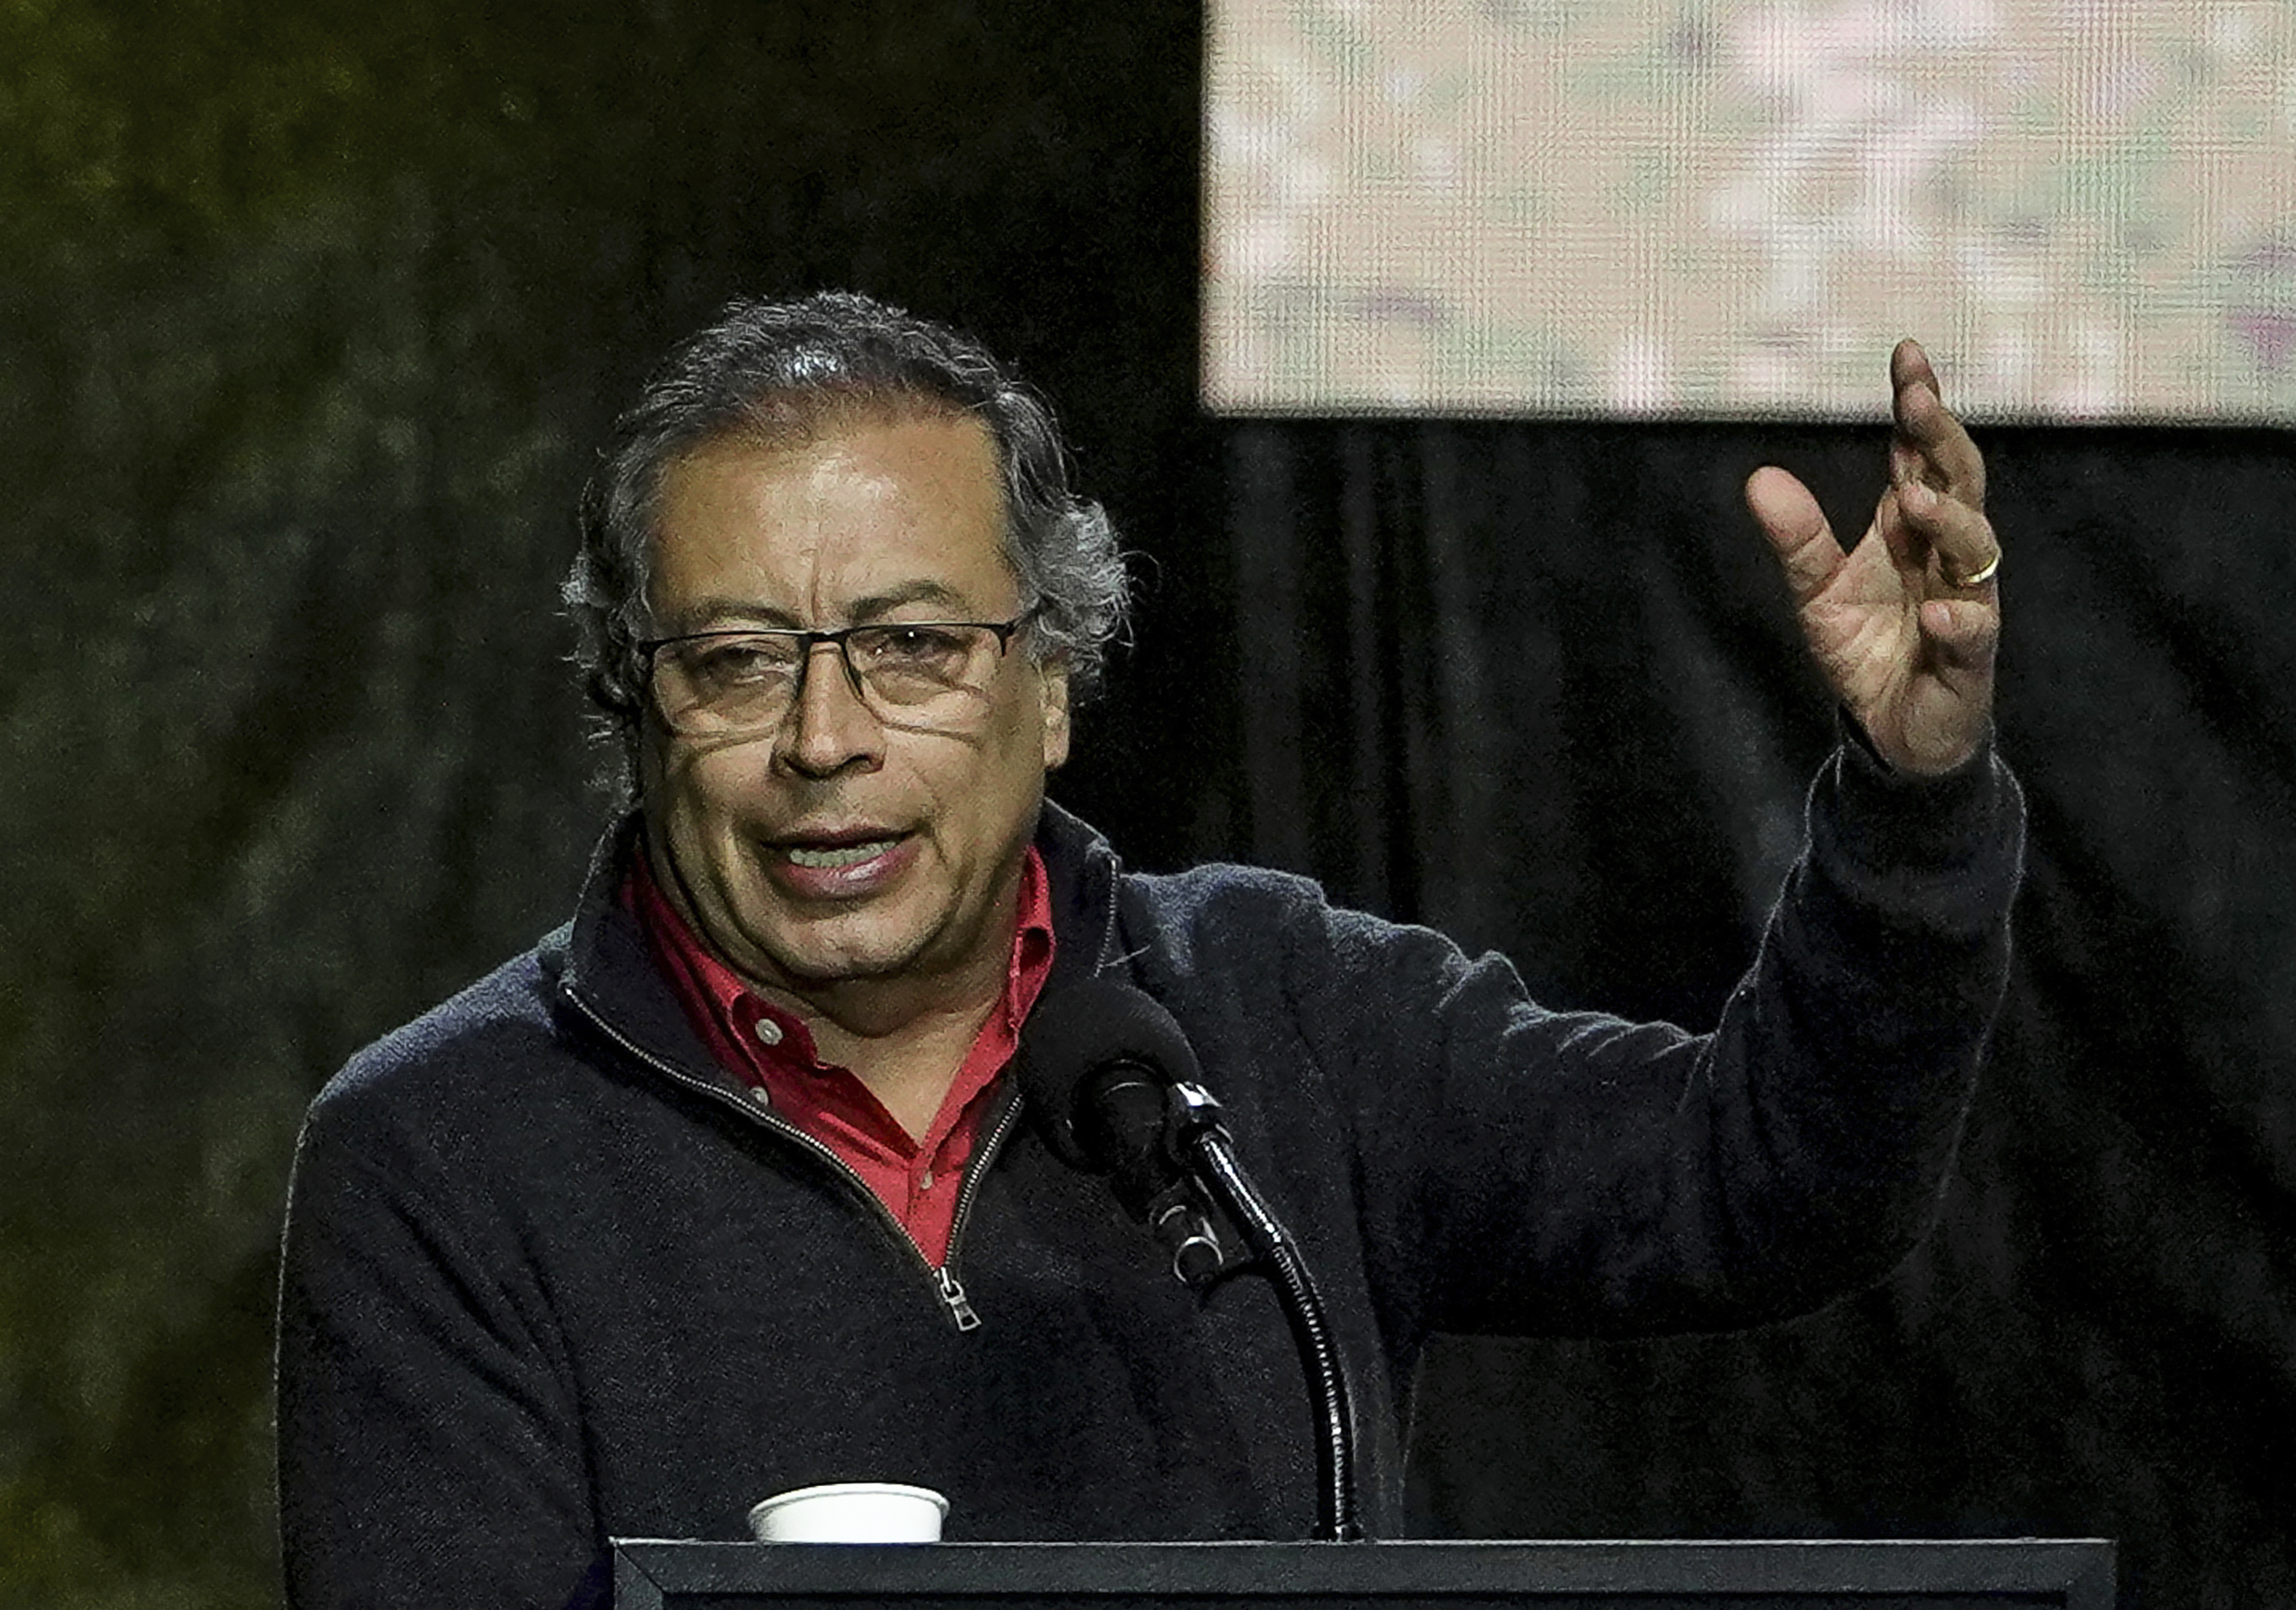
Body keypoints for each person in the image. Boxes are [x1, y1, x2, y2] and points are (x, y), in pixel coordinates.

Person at [275, 292, 2022, 1607]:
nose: (823, 737)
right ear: (633, 707)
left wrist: (1915, 798)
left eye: (910, 646)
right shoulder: (446, 1151)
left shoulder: (1275, 1011)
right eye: (735, 659)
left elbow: (1772, 1183)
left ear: (1051, 685)